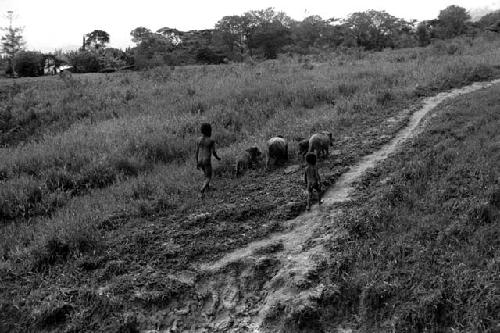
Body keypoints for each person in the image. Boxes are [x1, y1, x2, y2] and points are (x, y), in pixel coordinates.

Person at [196, 123, 221, 196]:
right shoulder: (211, 141)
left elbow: (196, 152)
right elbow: (214, 152)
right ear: (209, 131)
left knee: (205, 174)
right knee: (208, 177)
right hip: (207, 161)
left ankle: (208, 187)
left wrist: (197, 162)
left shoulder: (198, 140)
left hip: (200, 160)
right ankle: (202, 189)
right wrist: (217, 157)